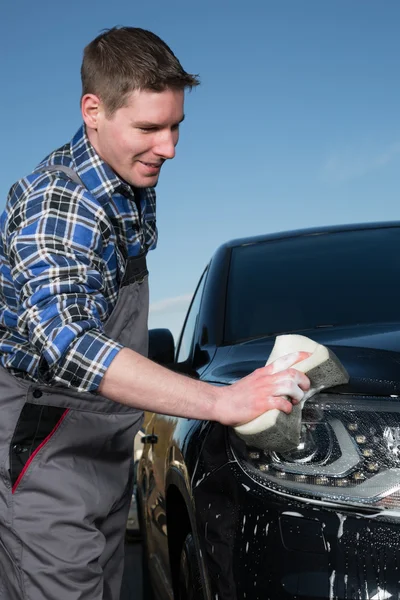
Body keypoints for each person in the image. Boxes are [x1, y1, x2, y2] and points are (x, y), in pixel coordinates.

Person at [0, 26, 310, 600]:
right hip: (47, 448)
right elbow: (68, 344)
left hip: (106, 450)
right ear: (93, 111)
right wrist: (222, 401)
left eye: (175, 127)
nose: (168, 148)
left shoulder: (130, 184)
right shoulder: (60, 202)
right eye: (148, 128)